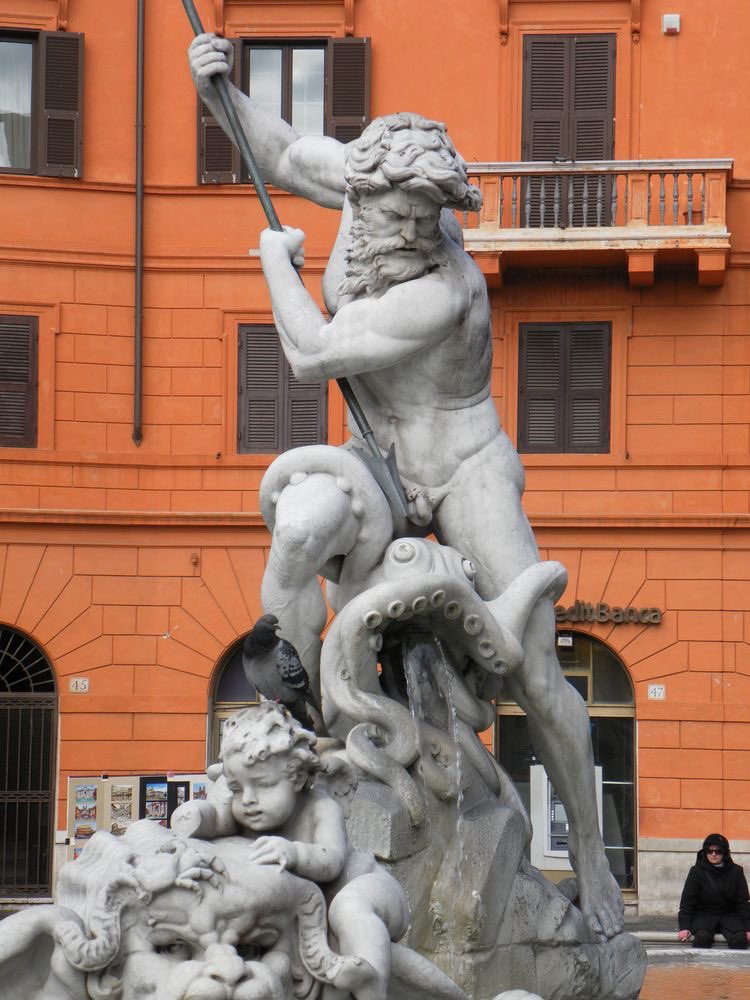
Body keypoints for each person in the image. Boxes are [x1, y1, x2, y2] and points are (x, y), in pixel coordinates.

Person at [188, 33, 624, 939]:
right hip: (375, 459)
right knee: (301, 523)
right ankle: (301, 709)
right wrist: (217, 88)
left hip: (462, 466)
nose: (414, 236)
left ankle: (590, 855)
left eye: (430, 222)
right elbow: (274, 149)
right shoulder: (353, 181)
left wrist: (276, 262)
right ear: (365, 190)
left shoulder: (443, 287)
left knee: (533, 665)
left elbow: (310, 354)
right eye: (399, 219)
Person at [172, 702, 416, 1000]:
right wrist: (197, 816)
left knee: (348, 909)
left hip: (367, 888)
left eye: (263, 785)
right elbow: (219, 821)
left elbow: (332, 861)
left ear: (297, 778)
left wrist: (294, 853)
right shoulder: (245, 811)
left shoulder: (319, 807)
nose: (248, 800)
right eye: (237, 788)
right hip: (311, 909)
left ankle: (372, 983)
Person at [677, 833, 750, 949]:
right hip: (704, 916)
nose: (713, 854)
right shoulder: (697, 871)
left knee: (740, 939)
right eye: (709, 851)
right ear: (705, 852)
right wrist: (684, 927)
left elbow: (743, 902)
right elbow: (688, 901)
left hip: (730, 916)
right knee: (702, 939)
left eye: (718, 851)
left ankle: (732, 968)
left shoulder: (736, 871)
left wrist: (748, 928)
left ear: (725, 853)